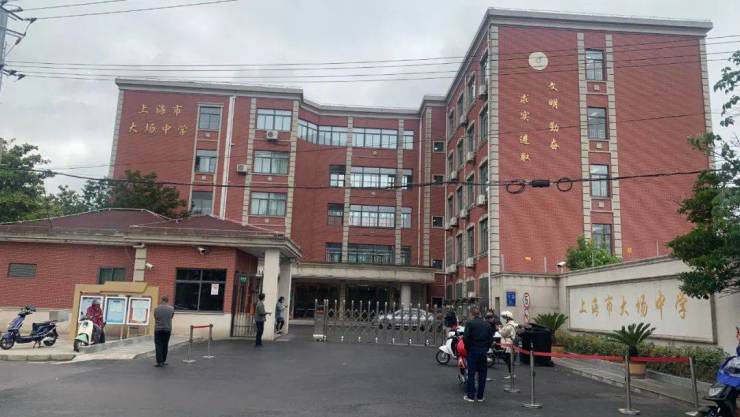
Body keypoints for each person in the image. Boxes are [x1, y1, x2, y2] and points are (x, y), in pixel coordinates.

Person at [462, 307, 493, 402]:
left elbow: (465, 338)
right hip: (483, 351)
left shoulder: (470, 323)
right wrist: (486, 348)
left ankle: (471, 396)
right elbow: (490, 339)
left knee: (471, 373)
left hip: (473, 350)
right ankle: (480, 396)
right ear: (479, 314)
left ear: (472, 314)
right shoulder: (487, 324)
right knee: (482, 374)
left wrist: (468, 348)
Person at [153, 295, 175, 368]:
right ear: (167, 300)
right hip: (167, 329)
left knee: (158, 345)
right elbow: (171, 317)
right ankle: (163, 360)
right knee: (165, 345)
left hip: (158, 329)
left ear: (161, 300)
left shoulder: (156, 308)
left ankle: (159, 362)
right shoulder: (171, 308)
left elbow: (155, 317)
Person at [499, 310, 519, 378]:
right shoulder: (513, 324)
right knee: (509, 359)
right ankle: (511, 373)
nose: (505, 319)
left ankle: (511, 374)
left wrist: (499, 329)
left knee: (508, 359)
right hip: (511, 344)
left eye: (506, 318)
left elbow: (503, 333)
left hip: (509, 344)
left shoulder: (509, 326)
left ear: (508, 318)